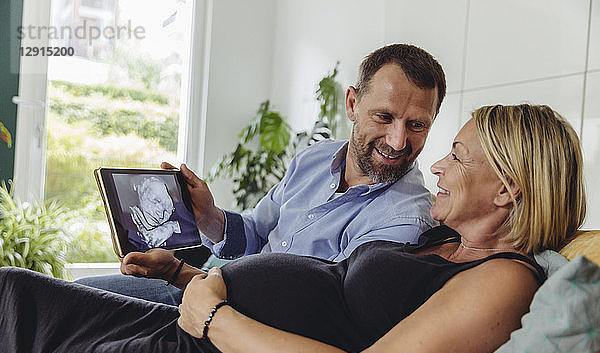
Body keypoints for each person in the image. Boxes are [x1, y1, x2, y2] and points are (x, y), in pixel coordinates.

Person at [0, 104, 586, 353]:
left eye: (455, 155)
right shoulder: (444, 245)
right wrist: (186, 277)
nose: (433, 163)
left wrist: (214, 317)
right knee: (13, 290)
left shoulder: (505, 282)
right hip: (202, 322)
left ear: (507, 187)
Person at [77, 43, 446, 305]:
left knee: (69, 319)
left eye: (417, 125)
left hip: (238, 315)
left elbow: (315, 306)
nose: (399, 141)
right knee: (72, 292)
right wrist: (209, 216)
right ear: (352, 104)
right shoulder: (315, 158)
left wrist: (180, 273)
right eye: (385, 117)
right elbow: (257, 231)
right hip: (206, 287)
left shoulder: (406, 218)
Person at [126, 176, 200, 251]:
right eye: (155, 201)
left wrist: (171, 227)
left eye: (167, 210)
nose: (161, 215)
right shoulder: (130, 230)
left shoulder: (185, 219)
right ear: (140, 194)